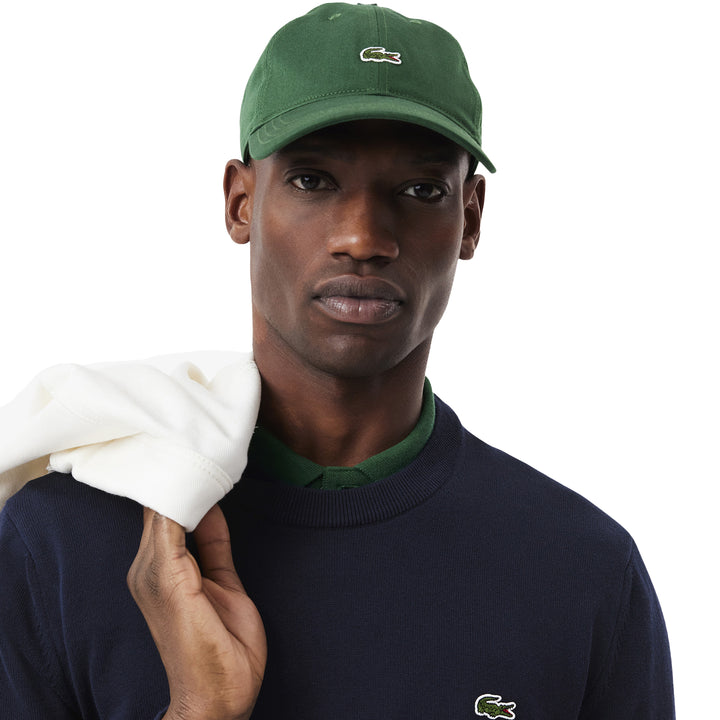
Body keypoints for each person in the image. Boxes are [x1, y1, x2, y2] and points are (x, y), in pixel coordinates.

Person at [0, 3, 674, 719]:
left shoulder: (582, 569)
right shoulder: (62, 542)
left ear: (471, 218)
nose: (363, 237)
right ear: (240, 203)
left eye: (421, 190)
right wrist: (201, 707)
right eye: (313, 180)